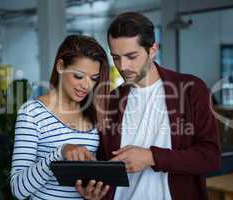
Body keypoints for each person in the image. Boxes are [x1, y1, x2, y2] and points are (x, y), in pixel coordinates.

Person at [76, 12, 221, 200]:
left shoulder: (191, 89)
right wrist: (95, 192)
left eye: (131, 56)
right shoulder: (109, 101)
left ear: (153, 50)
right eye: (116, 57)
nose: (123, 66)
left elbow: (210, 157)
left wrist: (152, 157)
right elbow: (105, 164)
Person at [10, 35, 110, 199]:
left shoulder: (94, 112)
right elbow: (18, 189)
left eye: (94, 79)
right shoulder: (32, 113)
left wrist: (93, 193)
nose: (86, 85)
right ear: (61, 66)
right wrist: (60, 152)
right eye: (78, 76)